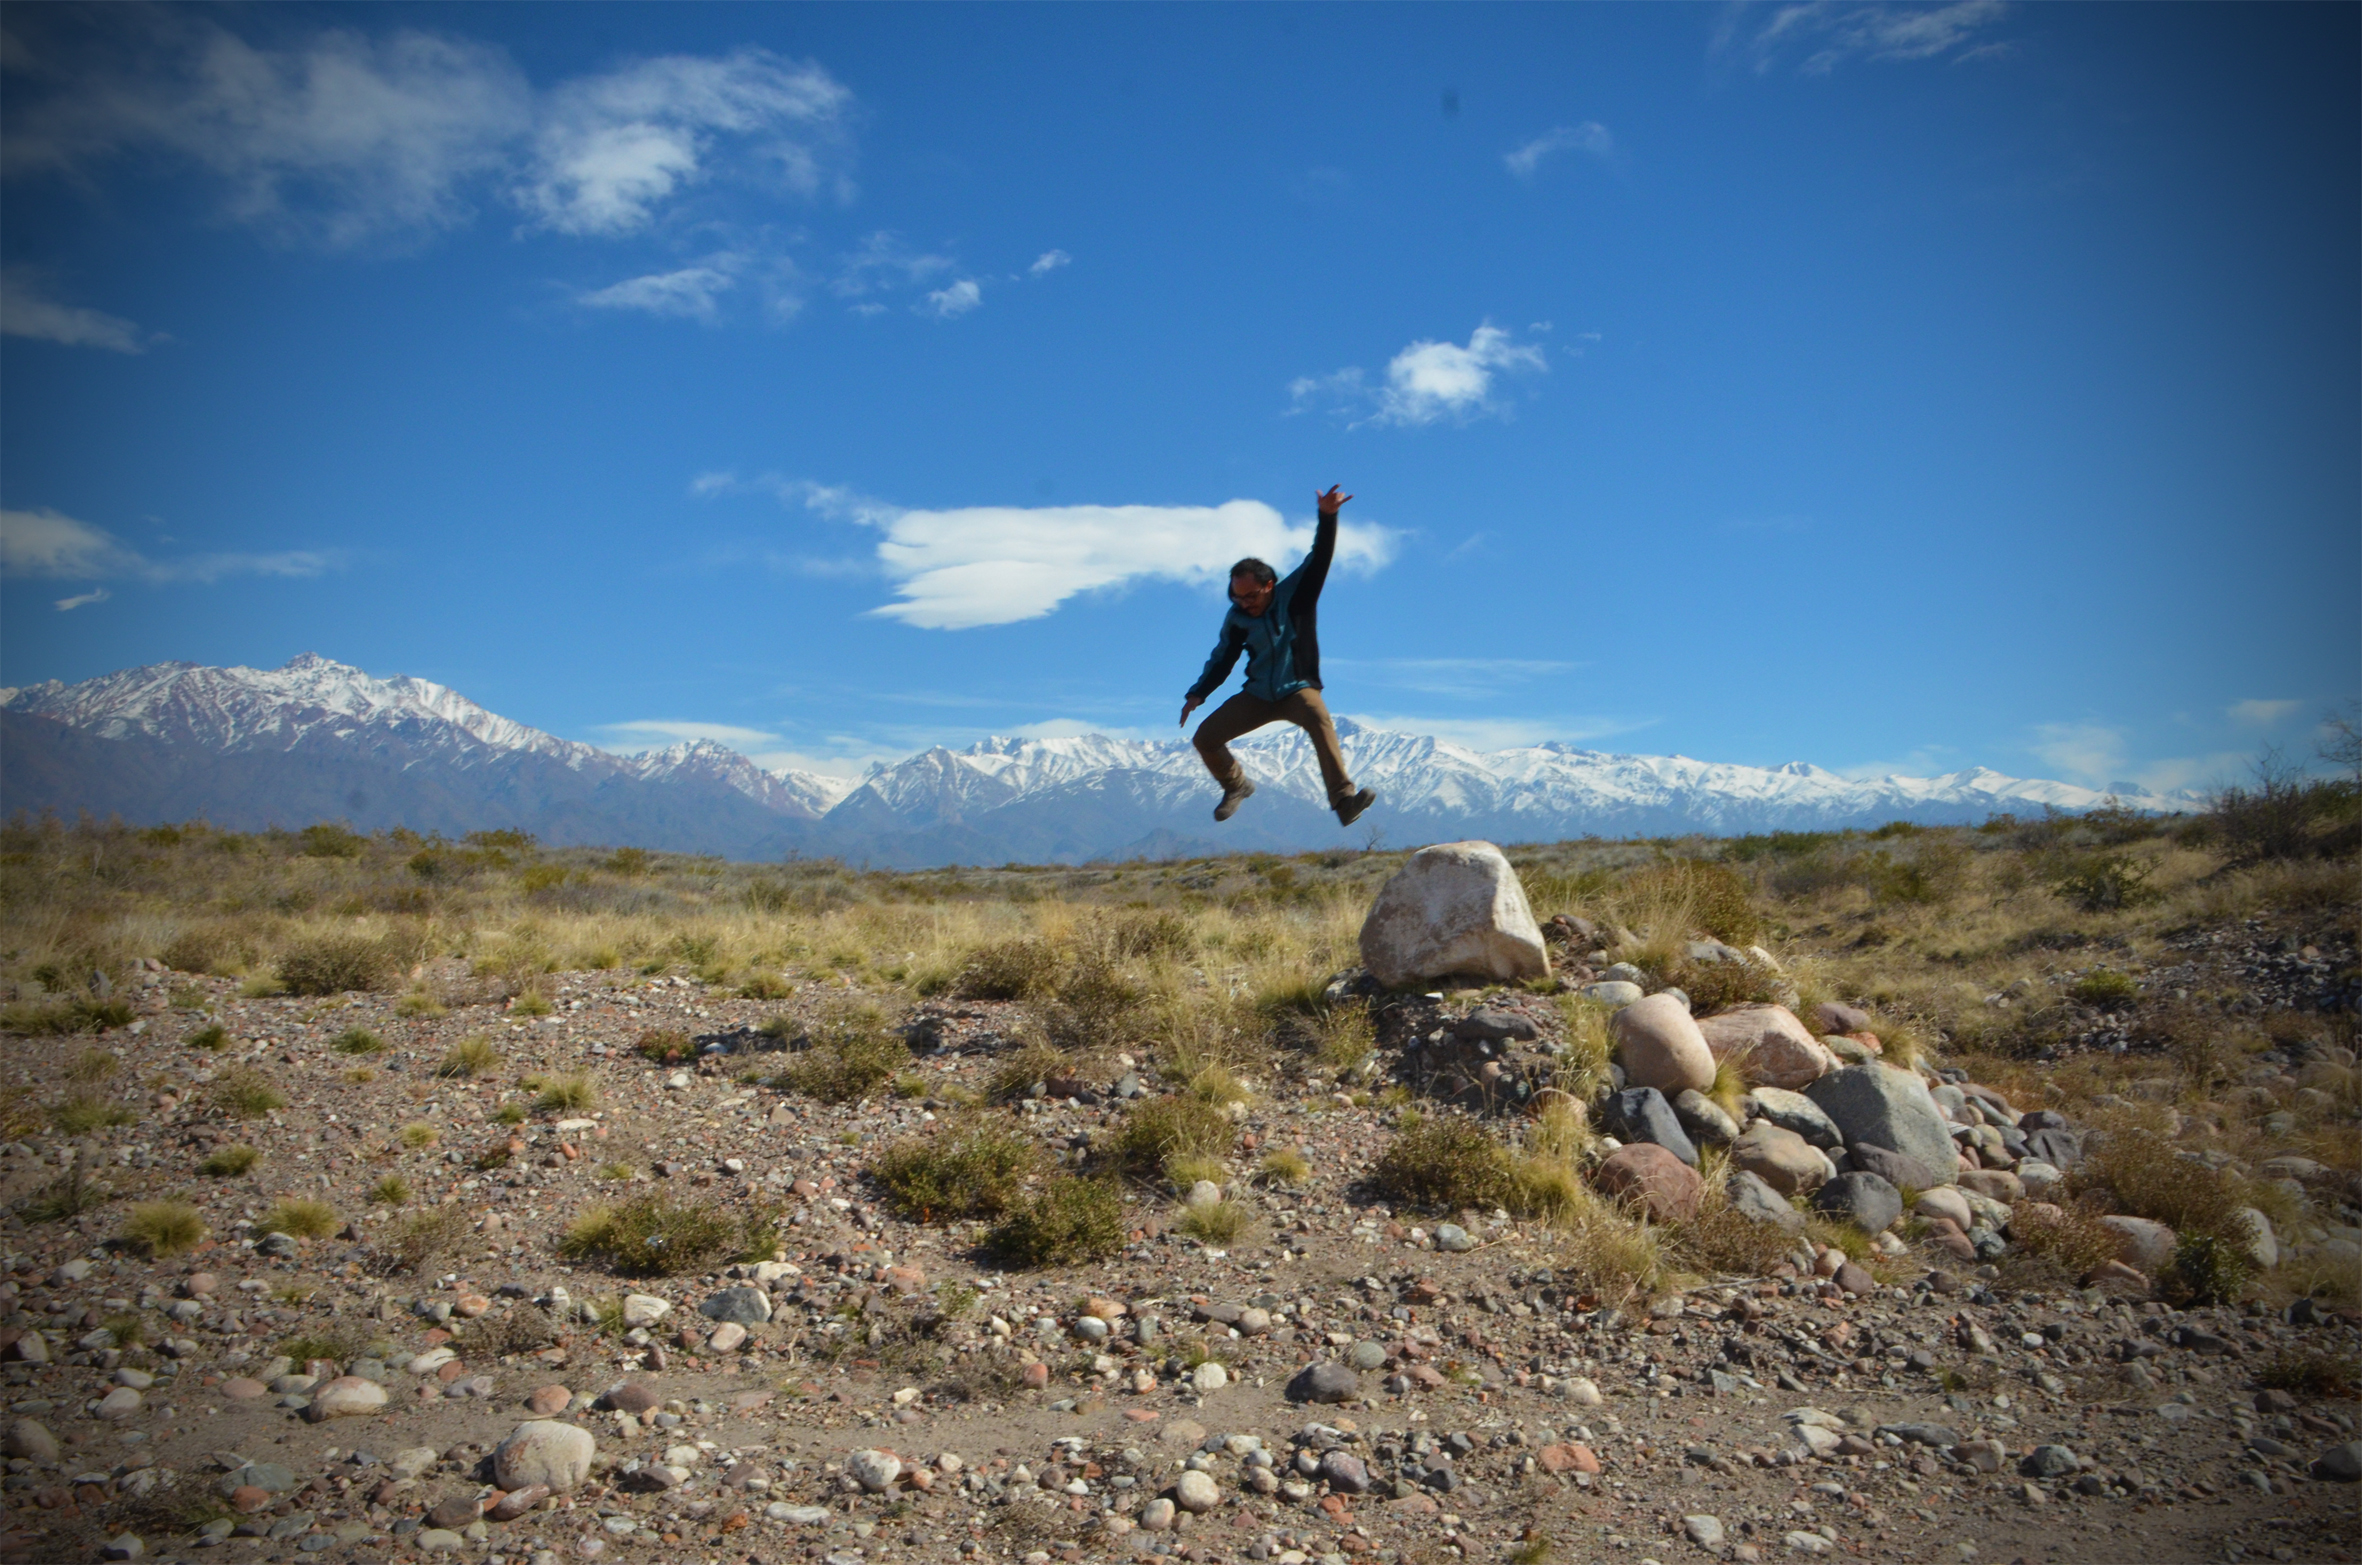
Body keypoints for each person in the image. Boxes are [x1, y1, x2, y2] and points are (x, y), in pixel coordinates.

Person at [1179, 485, 1378, 827]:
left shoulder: (1297, 594)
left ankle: (1344, 800)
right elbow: (1223, 657)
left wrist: (1327, 516)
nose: (1244, 603)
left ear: (1269, 585)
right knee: (1204, 738)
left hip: (1297, 687)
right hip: (1257, 694)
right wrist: (1198, 693)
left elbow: (1320, 556)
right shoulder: (1238, 619)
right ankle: (1236, 786)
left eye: (1251, 596)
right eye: (1237, 597)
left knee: (1319, 720)